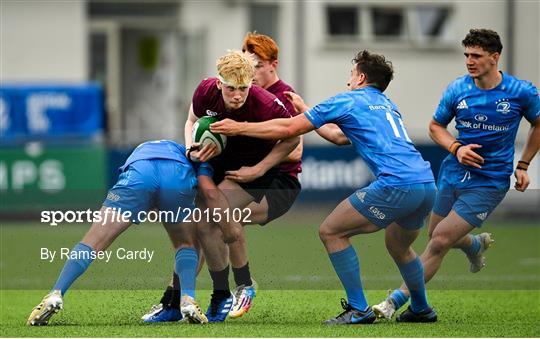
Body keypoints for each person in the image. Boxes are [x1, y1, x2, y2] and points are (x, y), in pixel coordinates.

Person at [211, 50, 438, 324]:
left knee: (331, 231)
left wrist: (239, 127)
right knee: (399, 247)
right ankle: (421, 308)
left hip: (397, 184)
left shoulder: (349, 99)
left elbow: (288, 130)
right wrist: (305, 107)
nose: (348, 82)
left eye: (351, 75)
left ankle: (358, 308)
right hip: (426, 184)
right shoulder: (387, 105)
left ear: (361, 77)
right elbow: (339, 137)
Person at [371, 28, 540, 320]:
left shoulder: (521, 91)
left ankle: (393, 302)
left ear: (495, 57)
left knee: (439, 241)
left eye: (476, 55)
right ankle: (474, 244)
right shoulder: (457, 89)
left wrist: (523, 165)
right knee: (436, 233)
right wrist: (457, 148)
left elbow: (538, 124)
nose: (469, 61)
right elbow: (435, 127)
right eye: (466, 55)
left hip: (490, 181)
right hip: (452, 173)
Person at [143, 50, 301, 323]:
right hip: (217, 165)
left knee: (207, 222)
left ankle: (228, 292)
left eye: (243, 89)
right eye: (231, 89)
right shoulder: (205, 90)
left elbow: (292, 140)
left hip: (250, 172)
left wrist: (259, 168)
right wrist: (191, 146)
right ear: (218, 83)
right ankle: (176, 301)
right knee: (195, 228)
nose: (237, 95)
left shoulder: (266, 104)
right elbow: (192, 120)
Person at [27, 140, 241, 326]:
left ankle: (56, 293)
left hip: (140, 171)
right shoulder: (200, 159)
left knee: (92, 242)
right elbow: (210, 194)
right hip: (176, 175)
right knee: (187, 244)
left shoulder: (171, 147)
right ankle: (187, 299)